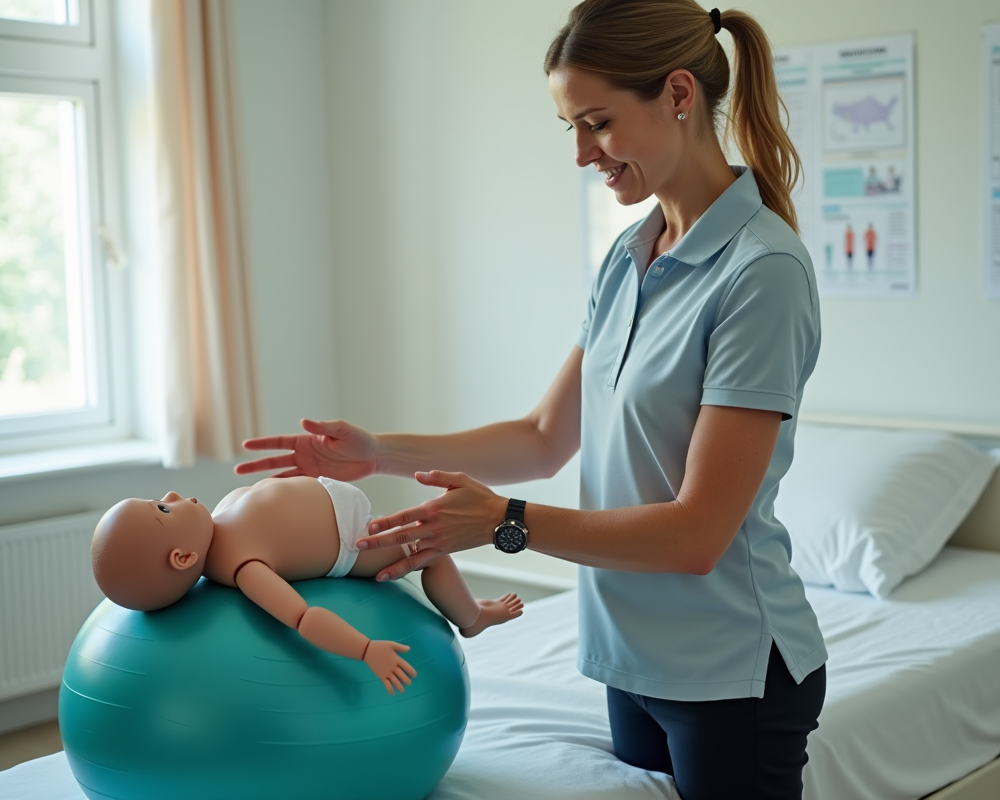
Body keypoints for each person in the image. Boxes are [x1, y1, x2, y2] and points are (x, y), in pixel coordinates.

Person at [237, 2, 826, 797]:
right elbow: (546, 437)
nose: (583, 153)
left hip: (729, 669)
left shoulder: (762, 273)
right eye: (570, 129)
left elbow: (698, 535)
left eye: (598, 123)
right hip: (628, 656)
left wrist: (507, 524)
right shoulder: (630, 254)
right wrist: (381, 451)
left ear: (679, 95)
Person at [91, 477, 523, 695]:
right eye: (163, 510)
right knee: (433, 554)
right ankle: (473, 617)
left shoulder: (219, 528)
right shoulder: (243, 567)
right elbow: (302, 617)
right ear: (182, 558)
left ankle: (472, 610)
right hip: (352, 545)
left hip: (347, 513)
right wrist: (365, 649)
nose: (171, 493)